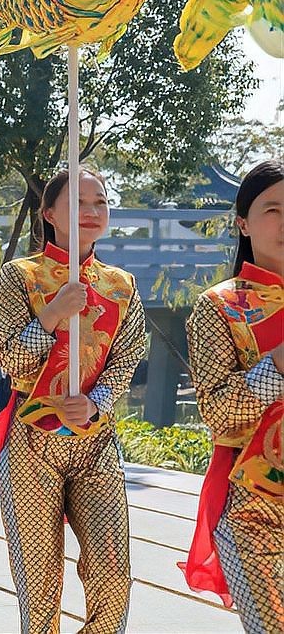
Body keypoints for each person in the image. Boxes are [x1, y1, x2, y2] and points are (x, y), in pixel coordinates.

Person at [0, 168, 146, 633]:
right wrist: (56, 310)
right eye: (79, 202)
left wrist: (96, 401)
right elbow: (12, 360)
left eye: (100, 201)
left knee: (113, 575)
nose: (93, 211)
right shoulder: (21, 276)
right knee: (39, 589)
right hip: (30, 445)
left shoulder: (121, 285)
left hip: (95, 443)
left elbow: (128, 355)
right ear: (49, 213)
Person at [181, 159, 283, 634]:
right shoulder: (220, 306)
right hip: (252, 505)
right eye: (273, 210)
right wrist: (277, 365)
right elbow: (219, 413)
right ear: (242, 222)